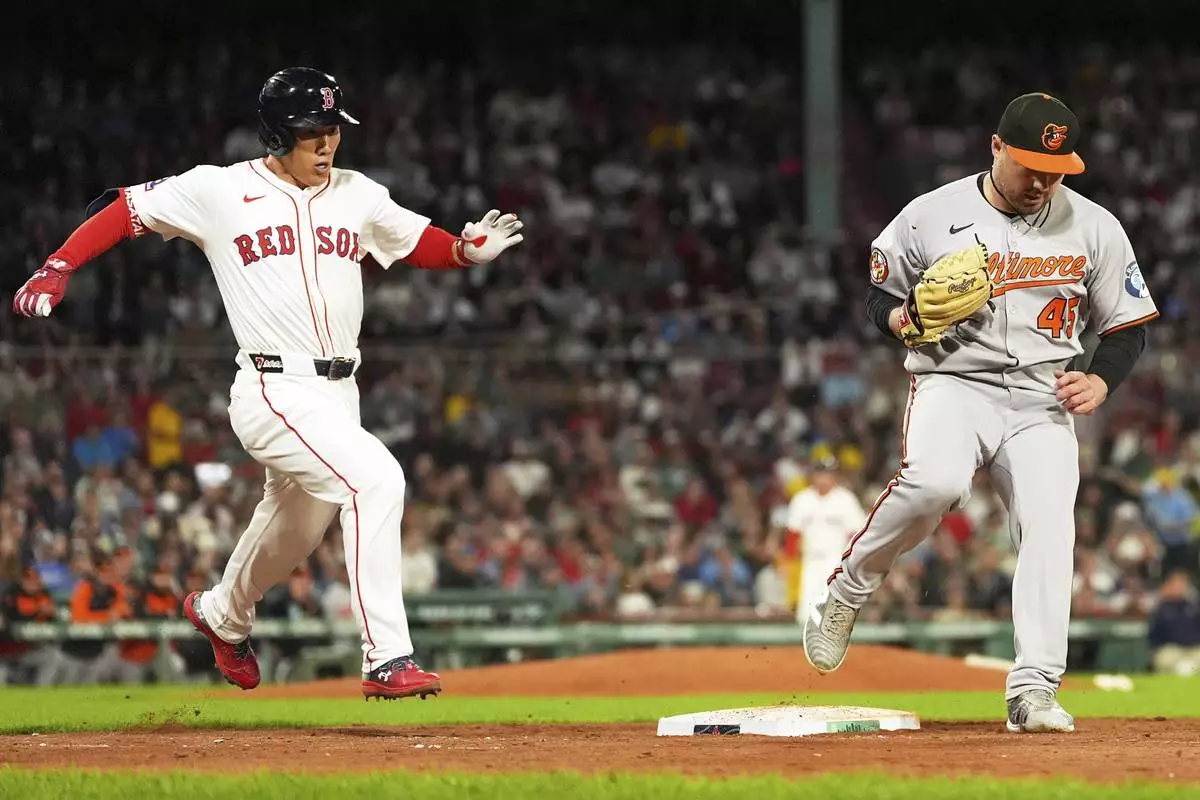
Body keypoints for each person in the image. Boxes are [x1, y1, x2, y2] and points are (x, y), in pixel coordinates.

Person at [12, 67, 524, 700]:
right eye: (313, 131)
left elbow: (415, 240)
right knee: (376, 480)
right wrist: (58, 265)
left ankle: (222, 614)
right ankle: (387, 657)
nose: (328, 143)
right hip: (272, 388)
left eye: (333, 129)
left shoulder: (357, 193)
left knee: (297, 529)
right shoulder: (220, 190)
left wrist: (464, 251)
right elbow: (123, 208)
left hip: (340, 393)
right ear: (279, 134)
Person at [801, 93, 1158, 734]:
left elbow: (1128, 325)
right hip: (952, 380)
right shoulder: (930, 214)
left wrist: (1102, 379)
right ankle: (849, 589)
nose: (1042, 183)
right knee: (935, 483)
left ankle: (1034, 689)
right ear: (996, 147)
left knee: (1049, 527)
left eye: (1055, 171)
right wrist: (900, 319)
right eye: (1030, 167)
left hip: (1042, 393)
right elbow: (878, 293)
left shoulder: (1095, 226)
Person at [784, 455, 865, 625]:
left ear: (835, 476)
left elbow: (856, 535)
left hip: (836, 562)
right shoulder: (802, 499)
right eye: (820, 473)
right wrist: (789, 563)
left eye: (828, 473)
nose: (824, 478)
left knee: (834, 613)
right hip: (810, 561)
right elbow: (792, 534)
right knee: (806, 613)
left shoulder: (845, 499)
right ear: (813, 475)